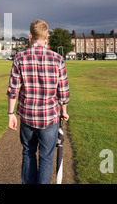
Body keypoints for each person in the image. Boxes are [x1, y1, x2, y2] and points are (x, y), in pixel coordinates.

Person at [6, 19, 70, 184]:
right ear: (46, 37)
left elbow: (13, 89)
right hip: (49, 116)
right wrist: (64, 112)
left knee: (28, 152)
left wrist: (11, 114)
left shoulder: (20, 57)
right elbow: (63, 91)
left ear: (30, 36)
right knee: (46, 157)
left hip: (27, 115)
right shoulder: (57, 59)